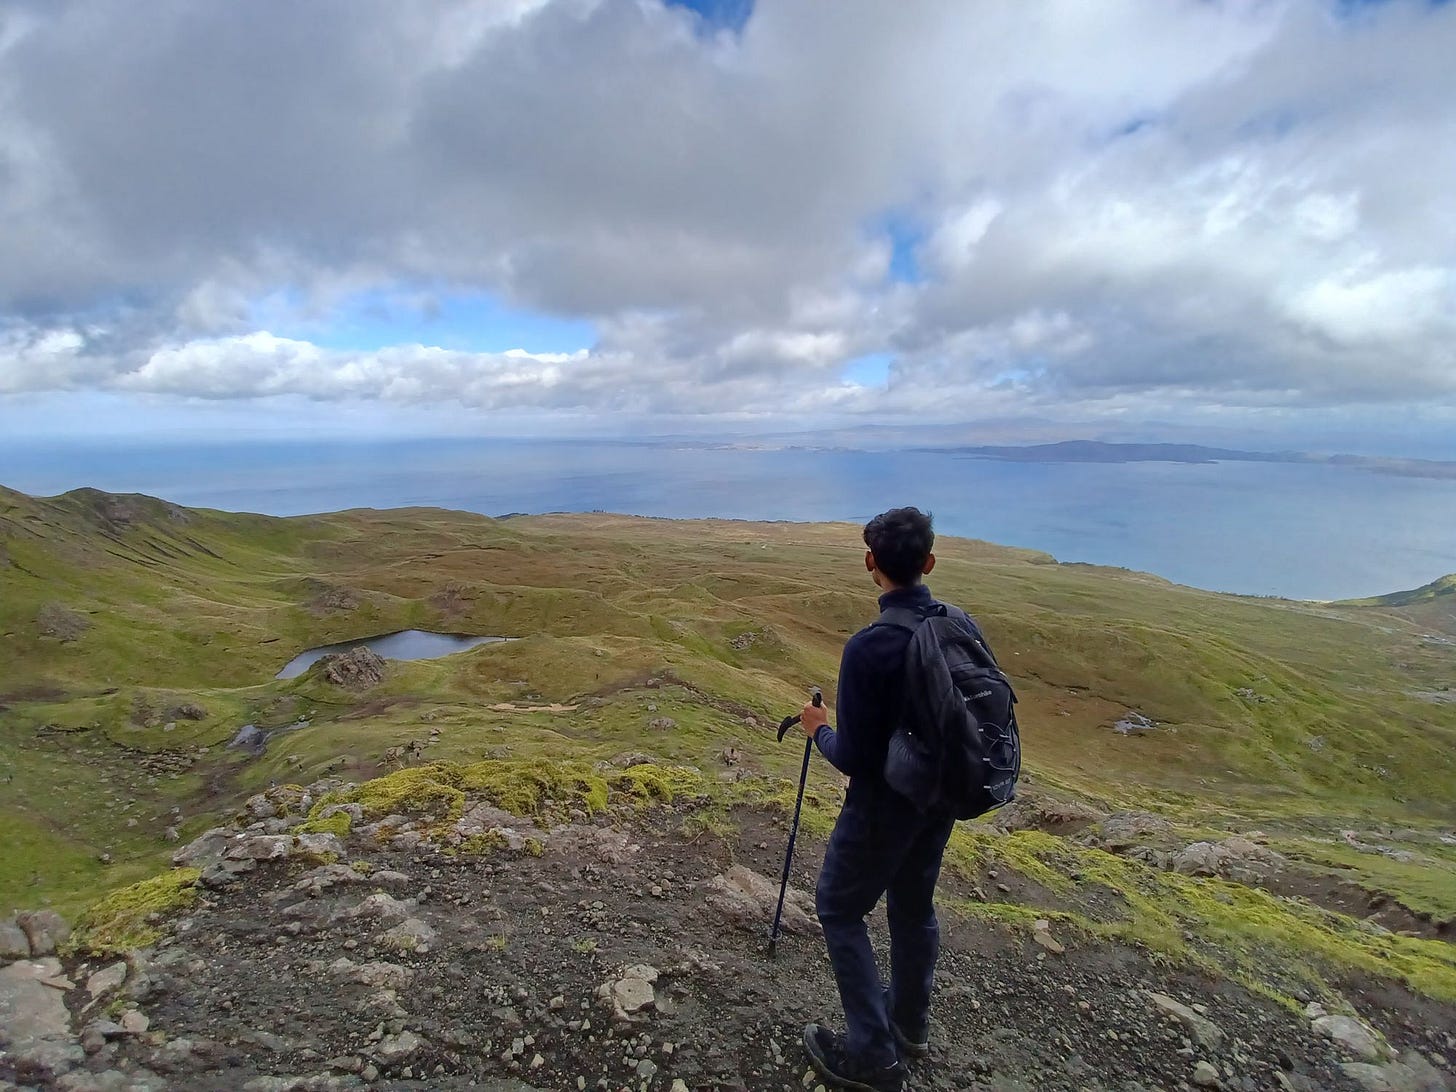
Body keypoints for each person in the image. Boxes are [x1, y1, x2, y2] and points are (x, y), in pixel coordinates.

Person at [799, 506, 960, 1092]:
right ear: (929, 563)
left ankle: (873, 1055)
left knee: (841, 908)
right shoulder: (954, 623)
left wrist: (818, 727)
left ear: (872, 564)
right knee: (914, 907)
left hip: (883, 805)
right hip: (938, 799)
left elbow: (856, 758)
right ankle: (909, 1022)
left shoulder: (871, 646)